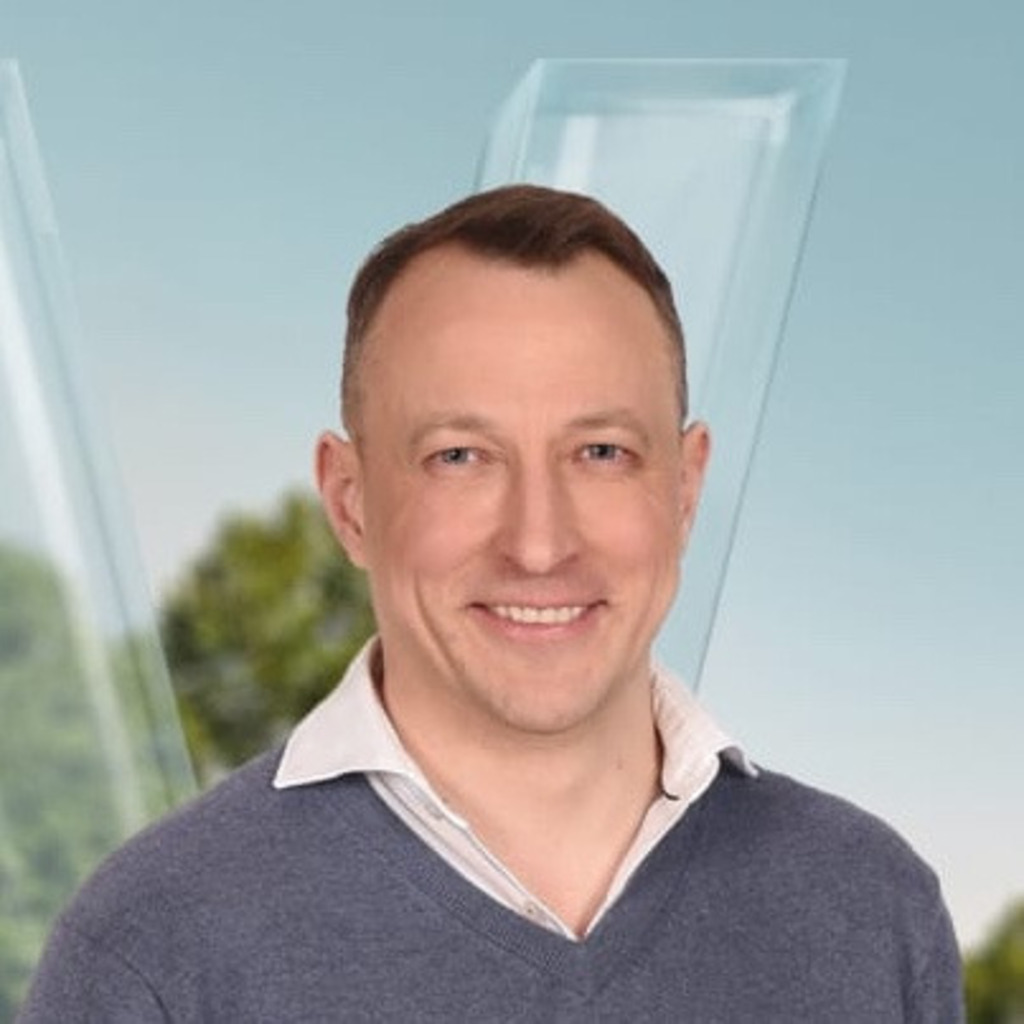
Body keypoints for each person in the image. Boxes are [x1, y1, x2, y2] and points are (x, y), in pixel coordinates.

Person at [19, 185, 964, 1022]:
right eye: (460, 457)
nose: (538, 544)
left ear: (685, 490)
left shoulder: (872, 911)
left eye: (601, 453)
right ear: (350, 502)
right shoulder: (157, 951)